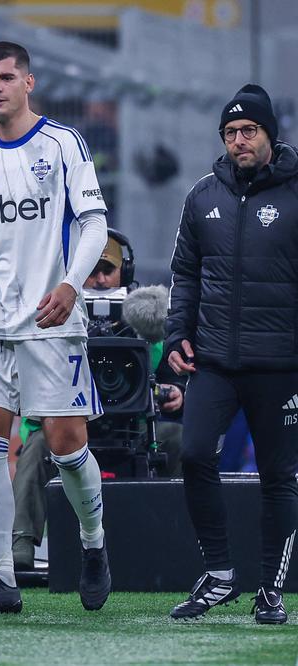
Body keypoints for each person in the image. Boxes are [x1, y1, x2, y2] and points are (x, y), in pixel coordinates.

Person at [0, 41, 111, 613]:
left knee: (65, 445)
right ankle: (2, 580)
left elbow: (94, 224)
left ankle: (93, 542)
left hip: (50, 316)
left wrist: (71, 285)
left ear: (28, 82)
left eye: (5, 77)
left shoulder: (63, 144)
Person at [165, 84, 298, 624]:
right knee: (195, 454)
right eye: (229, 133)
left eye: (248, 131)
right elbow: (185, 274)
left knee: (278, 477)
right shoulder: (203, 196)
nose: (238, 140)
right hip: (215, 361)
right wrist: (177, 334)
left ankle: (271, 589)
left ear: (270, 134)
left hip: (281, 365)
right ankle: (219, 574)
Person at [11, 230, 186, 570]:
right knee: (36, 447)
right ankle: (22, 545)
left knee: (180, 441)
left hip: (135, 429)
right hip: (68, 426)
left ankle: (181, 542)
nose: (101, 279)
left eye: (108, 270)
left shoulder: (150, 326)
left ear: (126, 272)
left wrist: (177, 392)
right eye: (92, 271)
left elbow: (174, 376)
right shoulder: (52, 318)